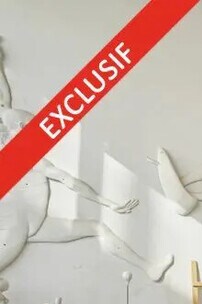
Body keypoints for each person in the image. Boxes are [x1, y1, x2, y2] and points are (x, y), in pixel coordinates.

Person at [0, 46, 173, 282]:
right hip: (17, 228)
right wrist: (107, 203)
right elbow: (69, 181)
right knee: (96, 227)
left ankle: (150, 268)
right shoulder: (22, 158)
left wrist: (0, 65)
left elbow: (6, 102)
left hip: (31, 223)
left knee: (97, 228)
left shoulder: (21, 152)